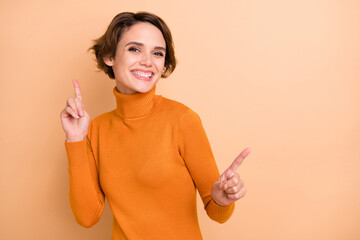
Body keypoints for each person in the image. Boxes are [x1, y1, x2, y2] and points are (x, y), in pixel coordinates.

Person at [60, 11, 250, 239]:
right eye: (134, 49)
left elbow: (217, 213)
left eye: (158, 53)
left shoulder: (182, 120)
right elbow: (87, 217)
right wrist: (75, 140)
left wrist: (220, 199)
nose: (148, 61)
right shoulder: (95, 130)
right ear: (109, 56)